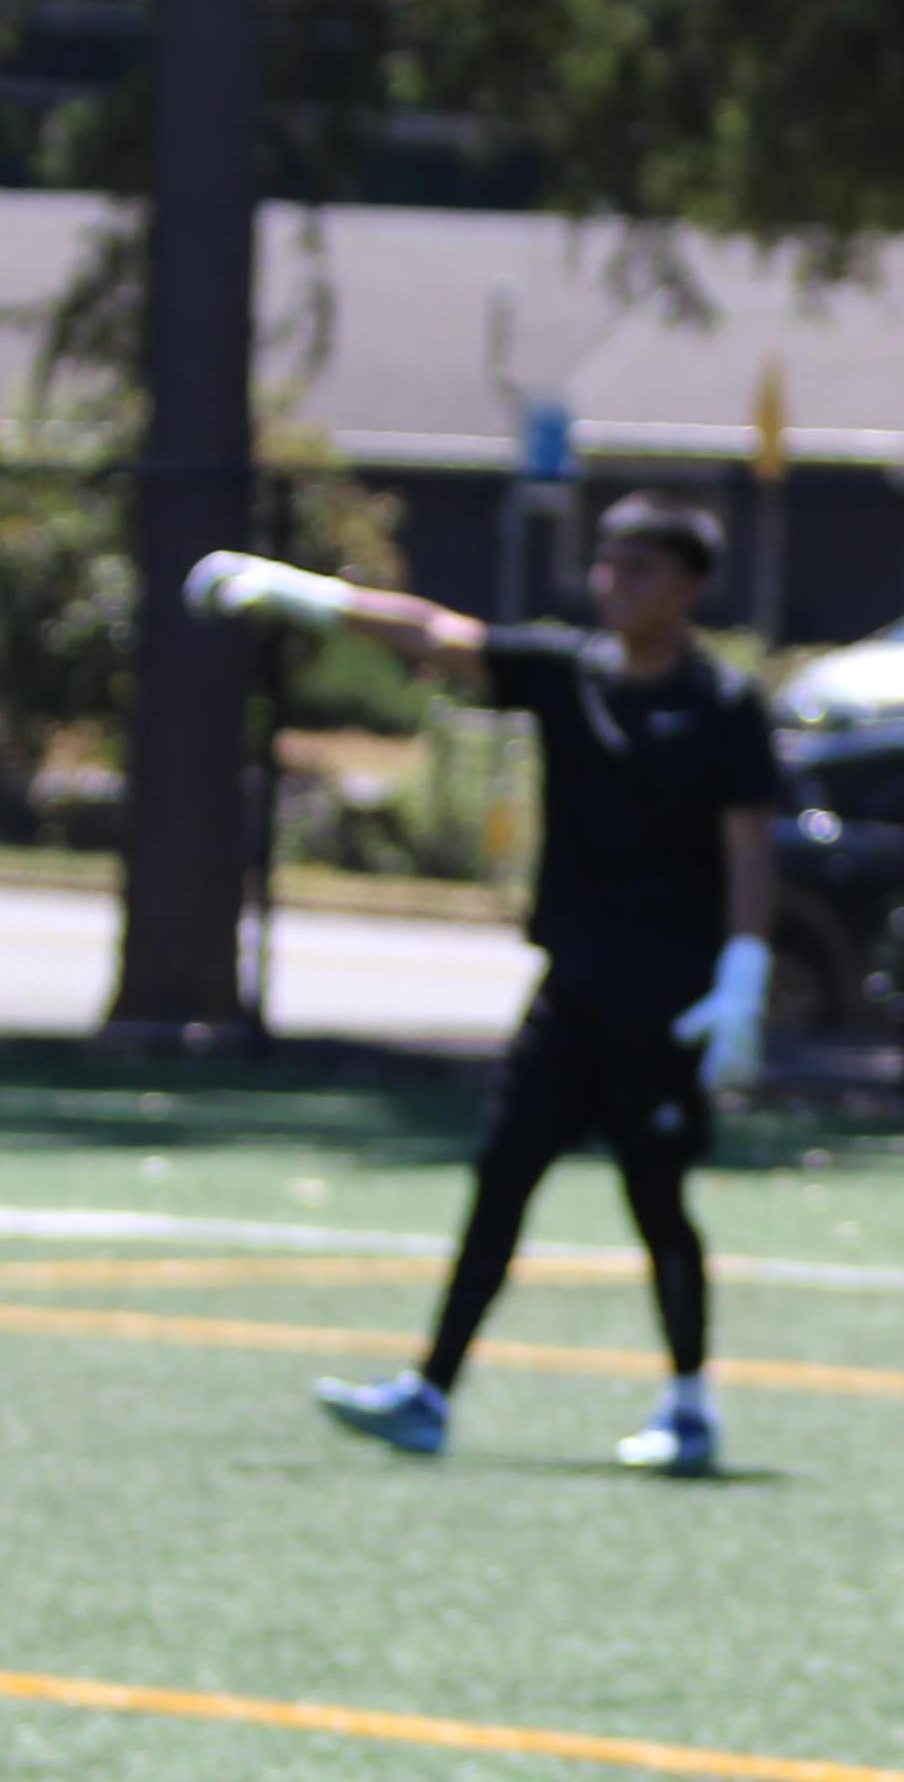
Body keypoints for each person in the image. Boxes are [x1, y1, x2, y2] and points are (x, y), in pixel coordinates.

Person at [197, 492, 780, 1477]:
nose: (614, 584)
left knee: (657, 1202)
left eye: (639, 568)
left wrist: (743, 979)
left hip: (666, 1003)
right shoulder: (566, 673)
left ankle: (689, 1406)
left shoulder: (723, 707)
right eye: (607, 563)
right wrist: (291, 593)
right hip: (572, 993)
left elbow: (751, 845)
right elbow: (430, 633)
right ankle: (430, 1393)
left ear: (687, 586)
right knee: (500, 1180)